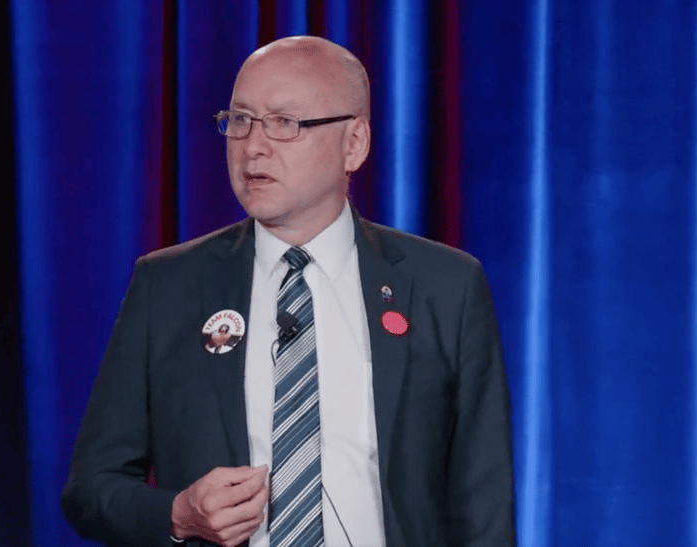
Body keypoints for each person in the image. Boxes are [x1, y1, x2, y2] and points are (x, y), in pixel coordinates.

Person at [62, 36, 515, 547]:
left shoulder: (445, 285)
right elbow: (90, 490)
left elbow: (484, 503)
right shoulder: (167, 285)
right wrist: (177, 513)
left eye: (285, 123)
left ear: (354, 143)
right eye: (239, 121)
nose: (253, 146)